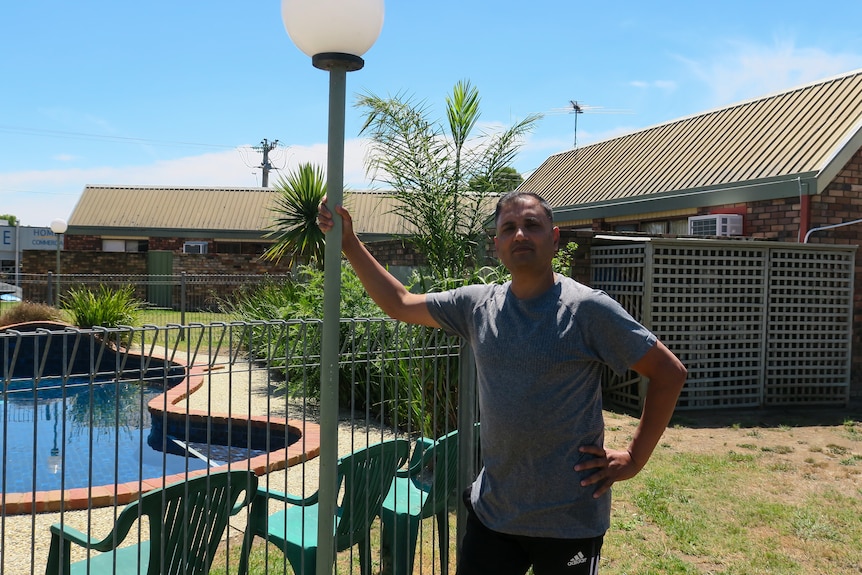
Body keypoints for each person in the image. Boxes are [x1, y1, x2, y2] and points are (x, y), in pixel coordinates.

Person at [317, 190, 686, 575]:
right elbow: (400, 303)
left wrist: (634, 458)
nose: (520, 235)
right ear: (497, 246)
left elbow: (669, 373)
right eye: (508, 228)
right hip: (494, 514)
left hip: (569, 521)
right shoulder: (477, 306)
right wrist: (350, 244)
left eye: (532, 225)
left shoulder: (587, 310)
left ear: (555, 238)